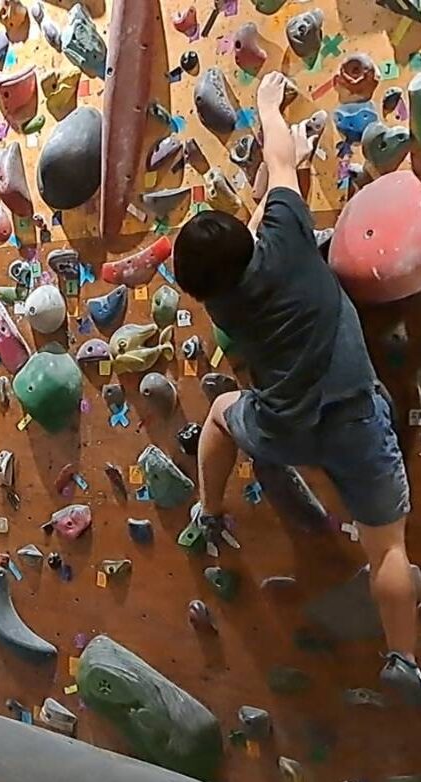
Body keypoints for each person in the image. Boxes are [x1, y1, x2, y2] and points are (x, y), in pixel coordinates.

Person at [173, 72, 421, 705]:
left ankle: (209, 510)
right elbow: (281, 161)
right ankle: (403, 659)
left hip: (283, 425)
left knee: (223, 411)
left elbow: (250, 235)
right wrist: (266, 105)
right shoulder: (284, 240)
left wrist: (266, 198)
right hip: (353, 417)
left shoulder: (223, 302)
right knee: (388, 549)